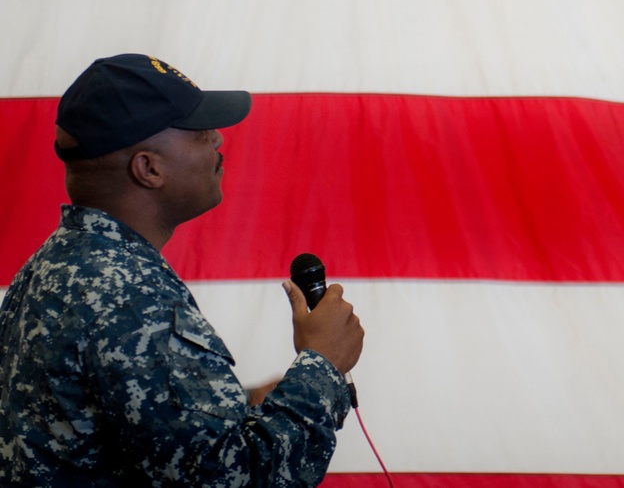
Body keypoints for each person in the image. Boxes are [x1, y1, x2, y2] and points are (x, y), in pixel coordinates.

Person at [0, 53, 364, 487]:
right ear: (148, 168)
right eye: (198, 132)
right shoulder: (128, 295)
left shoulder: (61, 263)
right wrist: (322, 365)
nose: (217, 139)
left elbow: (126, 423)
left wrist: (244, 404)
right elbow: (231, 478)